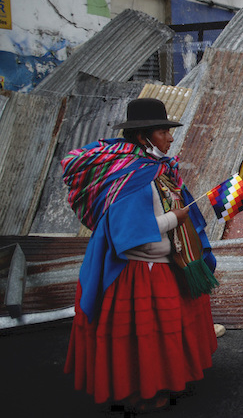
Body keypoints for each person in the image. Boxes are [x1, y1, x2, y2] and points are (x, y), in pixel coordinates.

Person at [62, 98, 219, 413]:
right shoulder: (133, 178)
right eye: (163, 131)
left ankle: (161, 380)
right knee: (141, 338)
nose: (170, 138)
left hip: (160, 265)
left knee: (159, 335)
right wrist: (176, 219)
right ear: (144, 136)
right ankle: (138, 390)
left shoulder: (154, 170)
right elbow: (133, 238)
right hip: (135, 273)